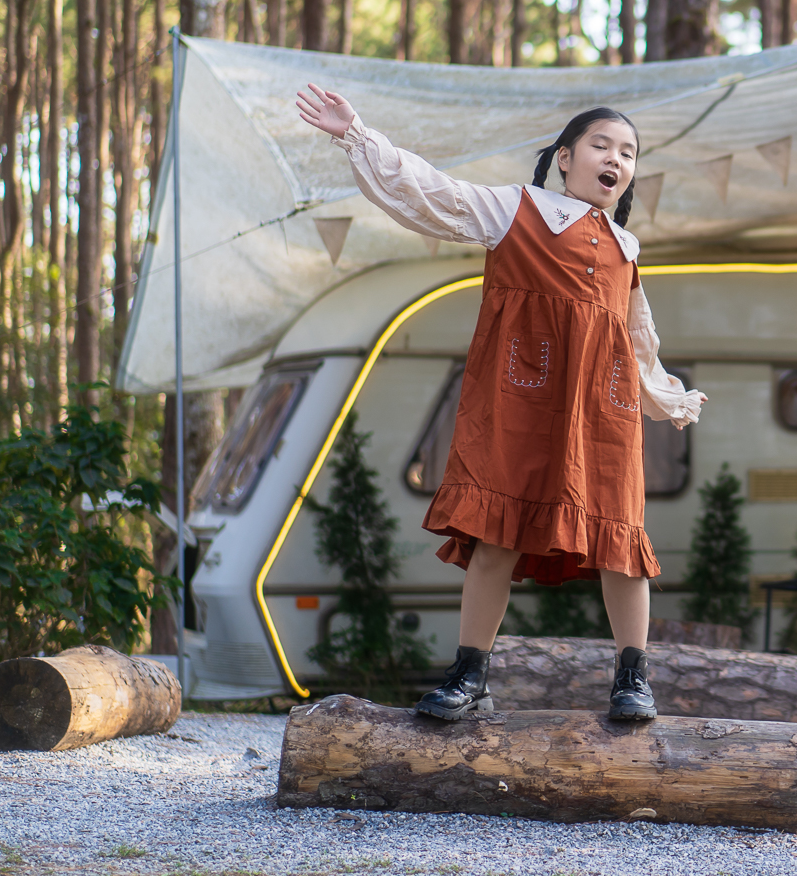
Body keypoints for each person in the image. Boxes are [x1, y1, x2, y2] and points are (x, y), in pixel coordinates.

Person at [295, 84, 705, 722]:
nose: (617, 160)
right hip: (519, 404)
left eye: (629, 153)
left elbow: (635, 341)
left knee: (621, 543)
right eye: (602, 144)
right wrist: (357, 135)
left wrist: (663, 398)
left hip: (603, 417)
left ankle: (632, 677)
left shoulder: (627, 251)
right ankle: (470, 674)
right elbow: (432, 193)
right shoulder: (514, 209)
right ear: (565, 157)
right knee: (496, 536)